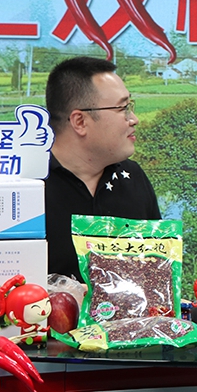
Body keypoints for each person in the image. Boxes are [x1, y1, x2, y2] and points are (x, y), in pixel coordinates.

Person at [44, 56, 161, 279]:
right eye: (123, 108)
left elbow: (156, 271)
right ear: (80, 122)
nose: (134, 119)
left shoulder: (133, 177)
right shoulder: (30, 187)